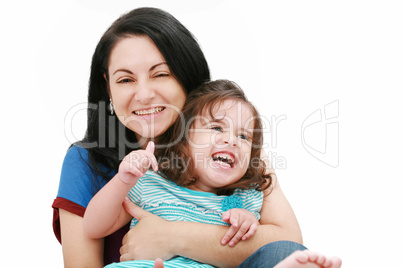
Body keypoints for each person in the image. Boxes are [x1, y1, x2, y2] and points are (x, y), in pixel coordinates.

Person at [52, 7, 304, 268]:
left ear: (186, 75)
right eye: (126, 79)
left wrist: (170, 237)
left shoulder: (235, 152)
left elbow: (285, 247)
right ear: (108, 87)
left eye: (160, 74)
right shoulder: (92, 163)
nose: (144, 94)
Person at [84, 80, 273, 267]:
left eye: (244, 137)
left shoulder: (246, 199)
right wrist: (122, 181)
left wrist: (247, 225)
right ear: (184, 138)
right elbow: (94, 227)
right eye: (217, 128)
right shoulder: (152, 183)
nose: (232, 141)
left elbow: (260, 252)